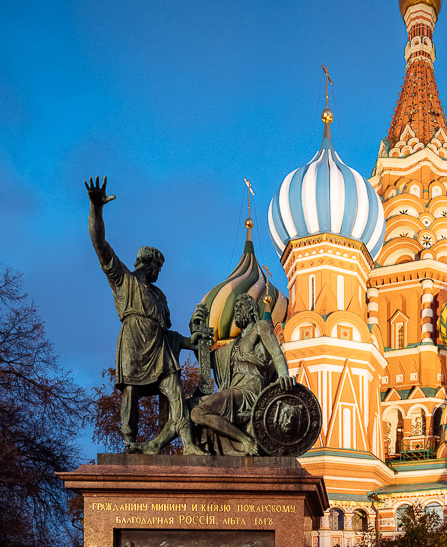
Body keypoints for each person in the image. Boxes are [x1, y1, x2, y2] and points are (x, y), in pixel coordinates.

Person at [85, 175, 203, 453]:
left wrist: (191, 341)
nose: (159, 273)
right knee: (131, 392)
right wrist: (96, 209)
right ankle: (129, 441)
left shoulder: (160, 296)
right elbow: (99, 243)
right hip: (133, 342)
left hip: (159, 348)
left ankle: (187, 444)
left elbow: (168, 334)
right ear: (146, 263)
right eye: (157, 268)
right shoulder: (123, 279)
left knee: (175, 391)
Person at [190, 293, 294, 454]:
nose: (236, 311)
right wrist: (195, 332)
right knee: (188, 407)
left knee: (198, 413)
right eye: (235, 308)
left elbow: (276, 353)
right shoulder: (234, 345)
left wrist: (283, 375)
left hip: (250, 391)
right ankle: (193, 450)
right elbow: (207, 361)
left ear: (252, 310)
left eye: (240, 307)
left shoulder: (260, 326)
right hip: (234, 390)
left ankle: (246, 441)